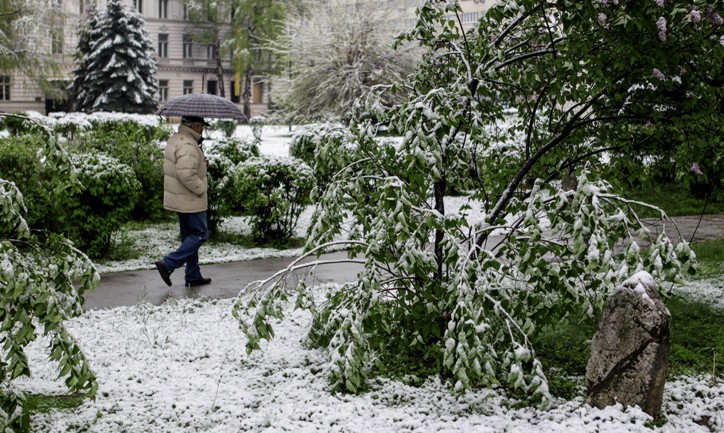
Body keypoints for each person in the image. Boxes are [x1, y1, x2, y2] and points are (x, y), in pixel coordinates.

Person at [155, 115, 212, 288]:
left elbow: (185, 167)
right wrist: (201, 187)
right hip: (189, 199)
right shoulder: (188, 145)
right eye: (201, 126)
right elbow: (186, 174)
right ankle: (168, 263)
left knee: (189, 236)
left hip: (180, 198)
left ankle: (193, 275)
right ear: (194, 126)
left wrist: (202, 165)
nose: (203, 130)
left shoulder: (178, 138)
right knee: (200, 234)